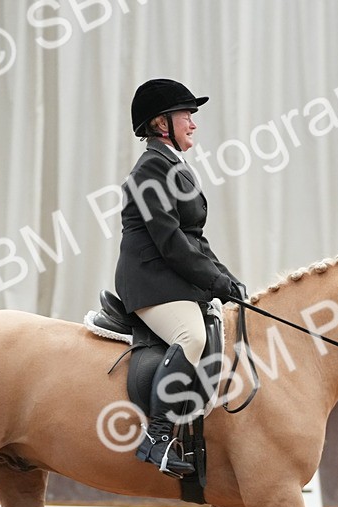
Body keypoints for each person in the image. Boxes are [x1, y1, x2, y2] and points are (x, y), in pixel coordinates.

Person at [115, 78, 245, 477]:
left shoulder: (175, 166)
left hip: (172, 280)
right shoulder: (151, 169)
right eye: (186, 115)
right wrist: (213, 281)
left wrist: (226, 278)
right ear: (160, 123)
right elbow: (171, 243)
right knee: (193, 336)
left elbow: (195, 239)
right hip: (150, 282)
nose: (193, 123)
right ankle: (156, 438)